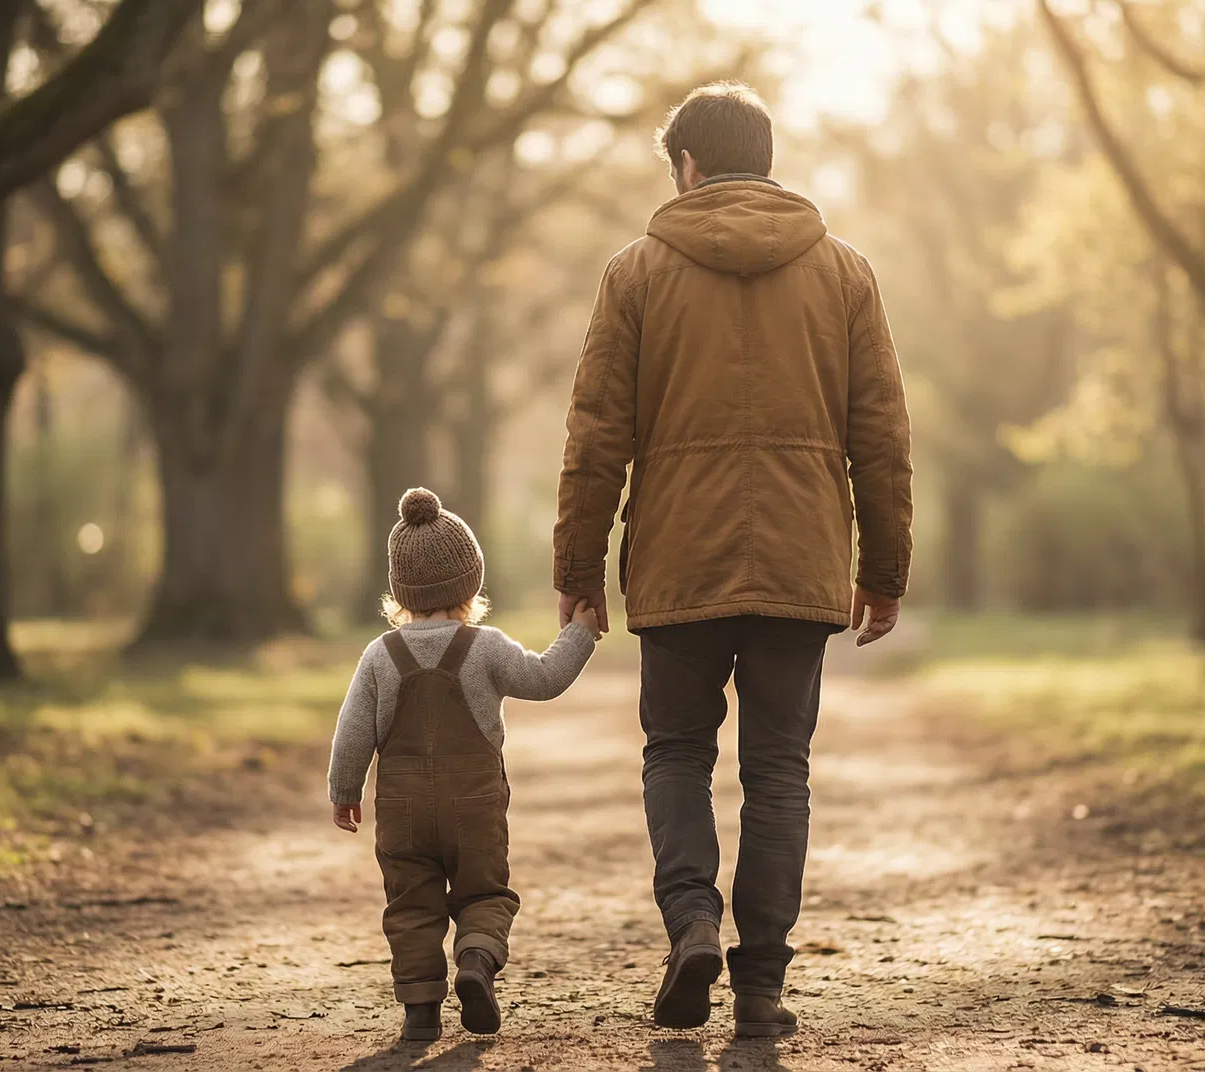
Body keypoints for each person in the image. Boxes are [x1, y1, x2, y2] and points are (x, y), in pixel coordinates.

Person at [552, 82, 914, 1038]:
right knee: (779, 772)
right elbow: (880, 435)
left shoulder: (635, 273)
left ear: (688, 166)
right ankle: (761, 989)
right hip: (800, 563)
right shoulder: (845, 273)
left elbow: (595, 436)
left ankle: (692, 926)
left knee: (675, 753)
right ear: (766, 156)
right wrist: (884, 568)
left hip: (678, 560)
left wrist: (580, 568)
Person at [330, 487, 602, 1043]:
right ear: (471, 581)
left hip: (403, 810)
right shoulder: (486, 646)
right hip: (475, 806)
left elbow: (354, 729)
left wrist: (344, 788)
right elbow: (545, 678)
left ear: (400, 589)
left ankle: (420, 1012)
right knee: (484, 893)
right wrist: (580, 631)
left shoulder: (381, 655)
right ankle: (476, 960)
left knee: (411, 904)